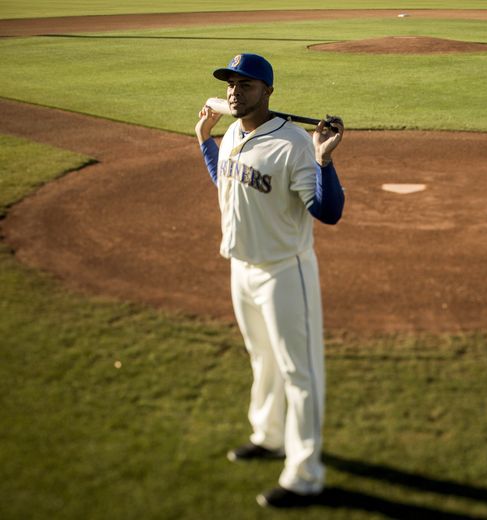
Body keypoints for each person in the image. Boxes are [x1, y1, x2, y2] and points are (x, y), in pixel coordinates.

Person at [194, 53, 345, 508]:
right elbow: (227, 180)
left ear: (268, 92)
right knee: (262, 358)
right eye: (230, 84)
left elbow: (328, 212)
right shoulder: (235, 132)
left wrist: (322, 161)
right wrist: (205, 140)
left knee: (300, 373)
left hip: (284, 271)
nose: (234, 92)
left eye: (246, 85)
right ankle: (269, 435)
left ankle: (305, 474)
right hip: (241, 267)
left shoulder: (293, 144)